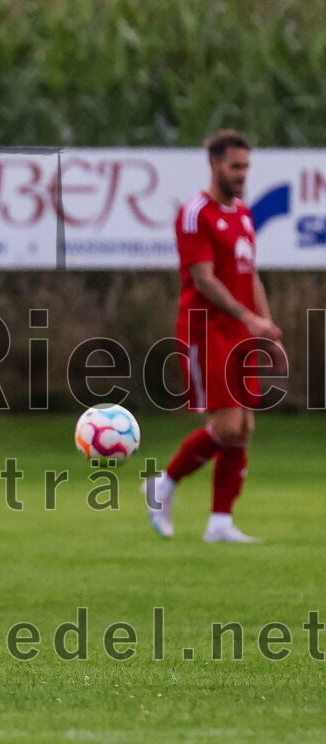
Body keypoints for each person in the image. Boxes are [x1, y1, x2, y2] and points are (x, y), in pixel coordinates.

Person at [143, 130, 284, 543]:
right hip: (206, 331)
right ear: (214, 164)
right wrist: (247, 317)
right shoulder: (195, 214)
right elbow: (203, 280)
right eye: (235, 166)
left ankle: (220, 523)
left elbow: (250, 272)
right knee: (224, 426)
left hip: (241, 331)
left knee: (242, 429)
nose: (241, 175)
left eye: (245, 167)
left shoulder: (243, 213)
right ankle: (163, 484)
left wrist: (266, 325)